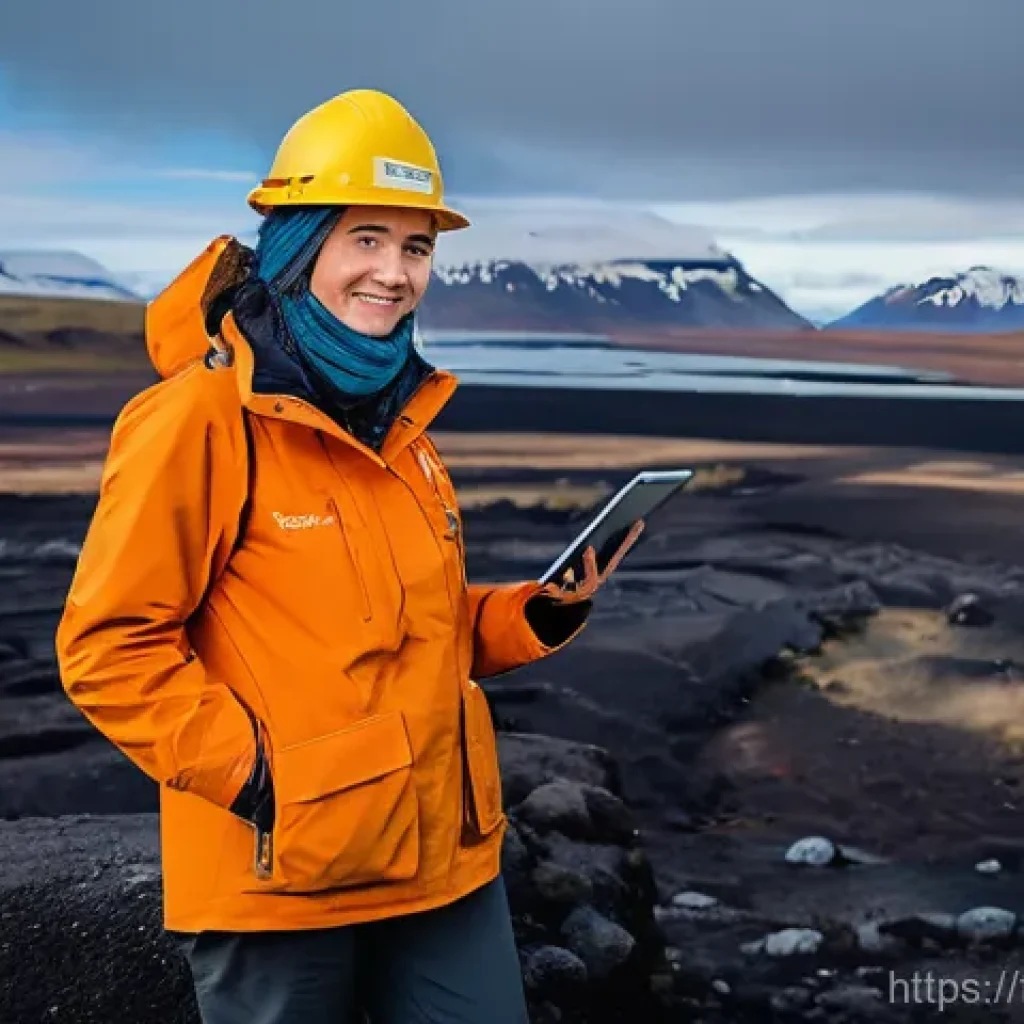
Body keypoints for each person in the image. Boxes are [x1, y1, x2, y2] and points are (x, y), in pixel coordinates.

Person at [54, 88, 644, 1024]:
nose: (394, 272)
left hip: (444, 861)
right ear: (299, 244)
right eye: (365, 238)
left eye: (416, 247)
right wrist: (266, 782)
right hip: (283, 876)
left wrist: (531, 614)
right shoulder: (198, 421)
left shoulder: (402, 422)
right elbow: (108, 649)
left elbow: (417, 627)